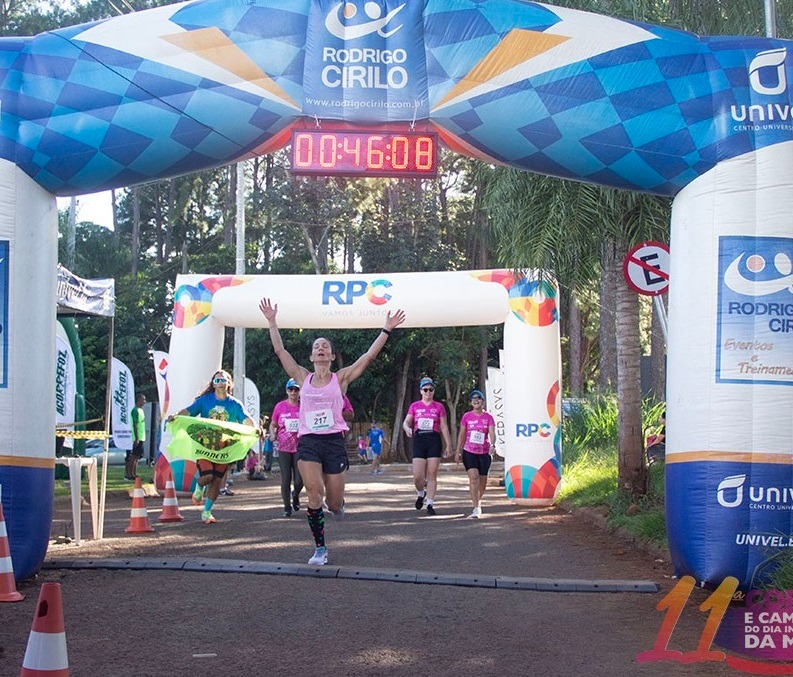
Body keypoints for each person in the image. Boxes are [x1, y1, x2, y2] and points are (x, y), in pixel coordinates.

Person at [259, 296, 405, 565]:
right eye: (317, 347)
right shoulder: (303, 377)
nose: (321, 348)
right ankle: (320, 548)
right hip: (309, 442)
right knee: (313, 493)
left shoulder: (342, 378)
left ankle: (337, 505)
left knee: (335, 504)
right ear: (312, 356)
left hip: (334, 443)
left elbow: (369, 357)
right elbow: (281, 352)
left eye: (325, 346)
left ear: (332, 356)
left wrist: (386, 329)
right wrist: (272, 321)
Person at [167, 369, 254, 524]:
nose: (220, 383)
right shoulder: (204, 401)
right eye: (217, 380)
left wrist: (255, 428)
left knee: (216, 481)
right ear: (213, 384)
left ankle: (207, 512)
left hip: (224, 448)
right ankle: (199, 488)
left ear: (229, 384)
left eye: (223, 380)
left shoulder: (234, 404)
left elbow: (246, 419)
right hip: (205, 446)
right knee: (208, 476)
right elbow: (189, 411)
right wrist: (176, 417)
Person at [402, 377, 452, 516]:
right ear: (421, 391)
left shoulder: (439, 407)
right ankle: (421, 493)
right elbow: (406, 422)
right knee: (418, 476)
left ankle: (430, 503)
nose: (428, 392)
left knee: (432, 474)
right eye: (425, 390)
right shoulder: (415, 406)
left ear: (433, 391)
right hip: (419, 439)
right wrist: (407, 428)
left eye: (430, 390)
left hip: (434, 439)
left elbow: (443, 425)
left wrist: (449, 445)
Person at [454, 389, 496, 518]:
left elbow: (492, 433)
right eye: (473, 399)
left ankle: (478, 500)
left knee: (483, 481)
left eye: (478, 398)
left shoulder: (488, 417)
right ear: (471, 402)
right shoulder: (467, 416)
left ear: (482, 402)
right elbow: (462, 435)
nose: (476, 400)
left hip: (484, 452)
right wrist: (458, 451)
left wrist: (493, 445)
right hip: (469, 451)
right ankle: (476, 507)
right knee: (473, 477)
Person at [270, 378, 304, 517]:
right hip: (284, 447)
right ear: (286, 391)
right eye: (291, 389)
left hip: (300, 446)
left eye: (296, 389)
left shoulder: (304, 406)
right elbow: (273, 424)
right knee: (285, 478)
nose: (293, 392)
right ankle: (287, 507)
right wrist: (272, 434)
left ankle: (295, 494)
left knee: (299, 479)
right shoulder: (280, 407)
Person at [126, 394, 146, 480]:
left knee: (137, 457)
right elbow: (135, 424)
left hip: (141, 436)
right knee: (133, 456)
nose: (144, 402)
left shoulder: (141, 410)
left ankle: (134, 474)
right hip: (136, 437)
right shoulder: (135, 410)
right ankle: (130, 474)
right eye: (143, 400)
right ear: (138, 400)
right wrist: (136, 438)